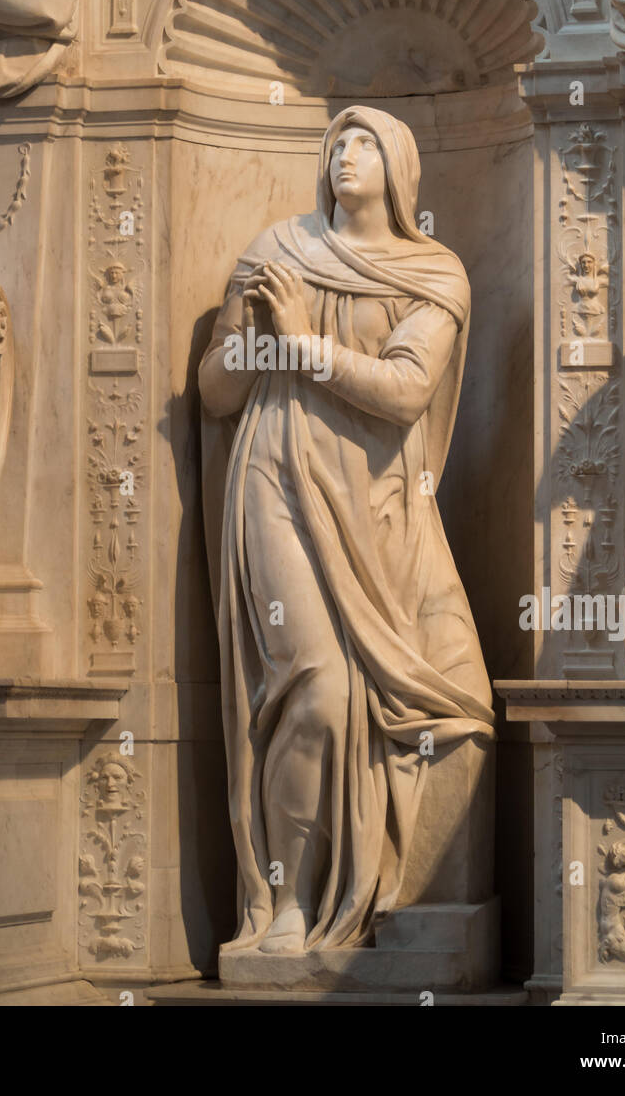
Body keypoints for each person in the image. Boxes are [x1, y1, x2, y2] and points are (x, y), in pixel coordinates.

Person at [199, 106, 494, 956]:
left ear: (401, 169)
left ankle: (377, 900)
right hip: (275, 482)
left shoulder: (435, 273)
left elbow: (405, 392)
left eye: (365, 143)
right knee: (319, 689)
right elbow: (217, 392)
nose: (345, 156)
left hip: (381, 506)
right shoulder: (275, 252)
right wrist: (255, 342)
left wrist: (299, 343)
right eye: (336, 144)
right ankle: (288, 901)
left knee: (451, 706)